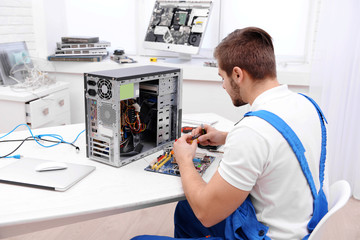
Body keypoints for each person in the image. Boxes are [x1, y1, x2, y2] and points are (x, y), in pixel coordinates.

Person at [132, 27, 328, 240]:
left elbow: (206, 213)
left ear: (237, 74)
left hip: (267, 235)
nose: (223, 86)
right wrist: (227, 136)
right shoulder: (306, 104)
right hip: (302, 223)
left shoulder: (252, 132)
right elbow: (281, 143)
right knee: (186, 210)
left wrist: (184, 159)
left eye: (222, 77)